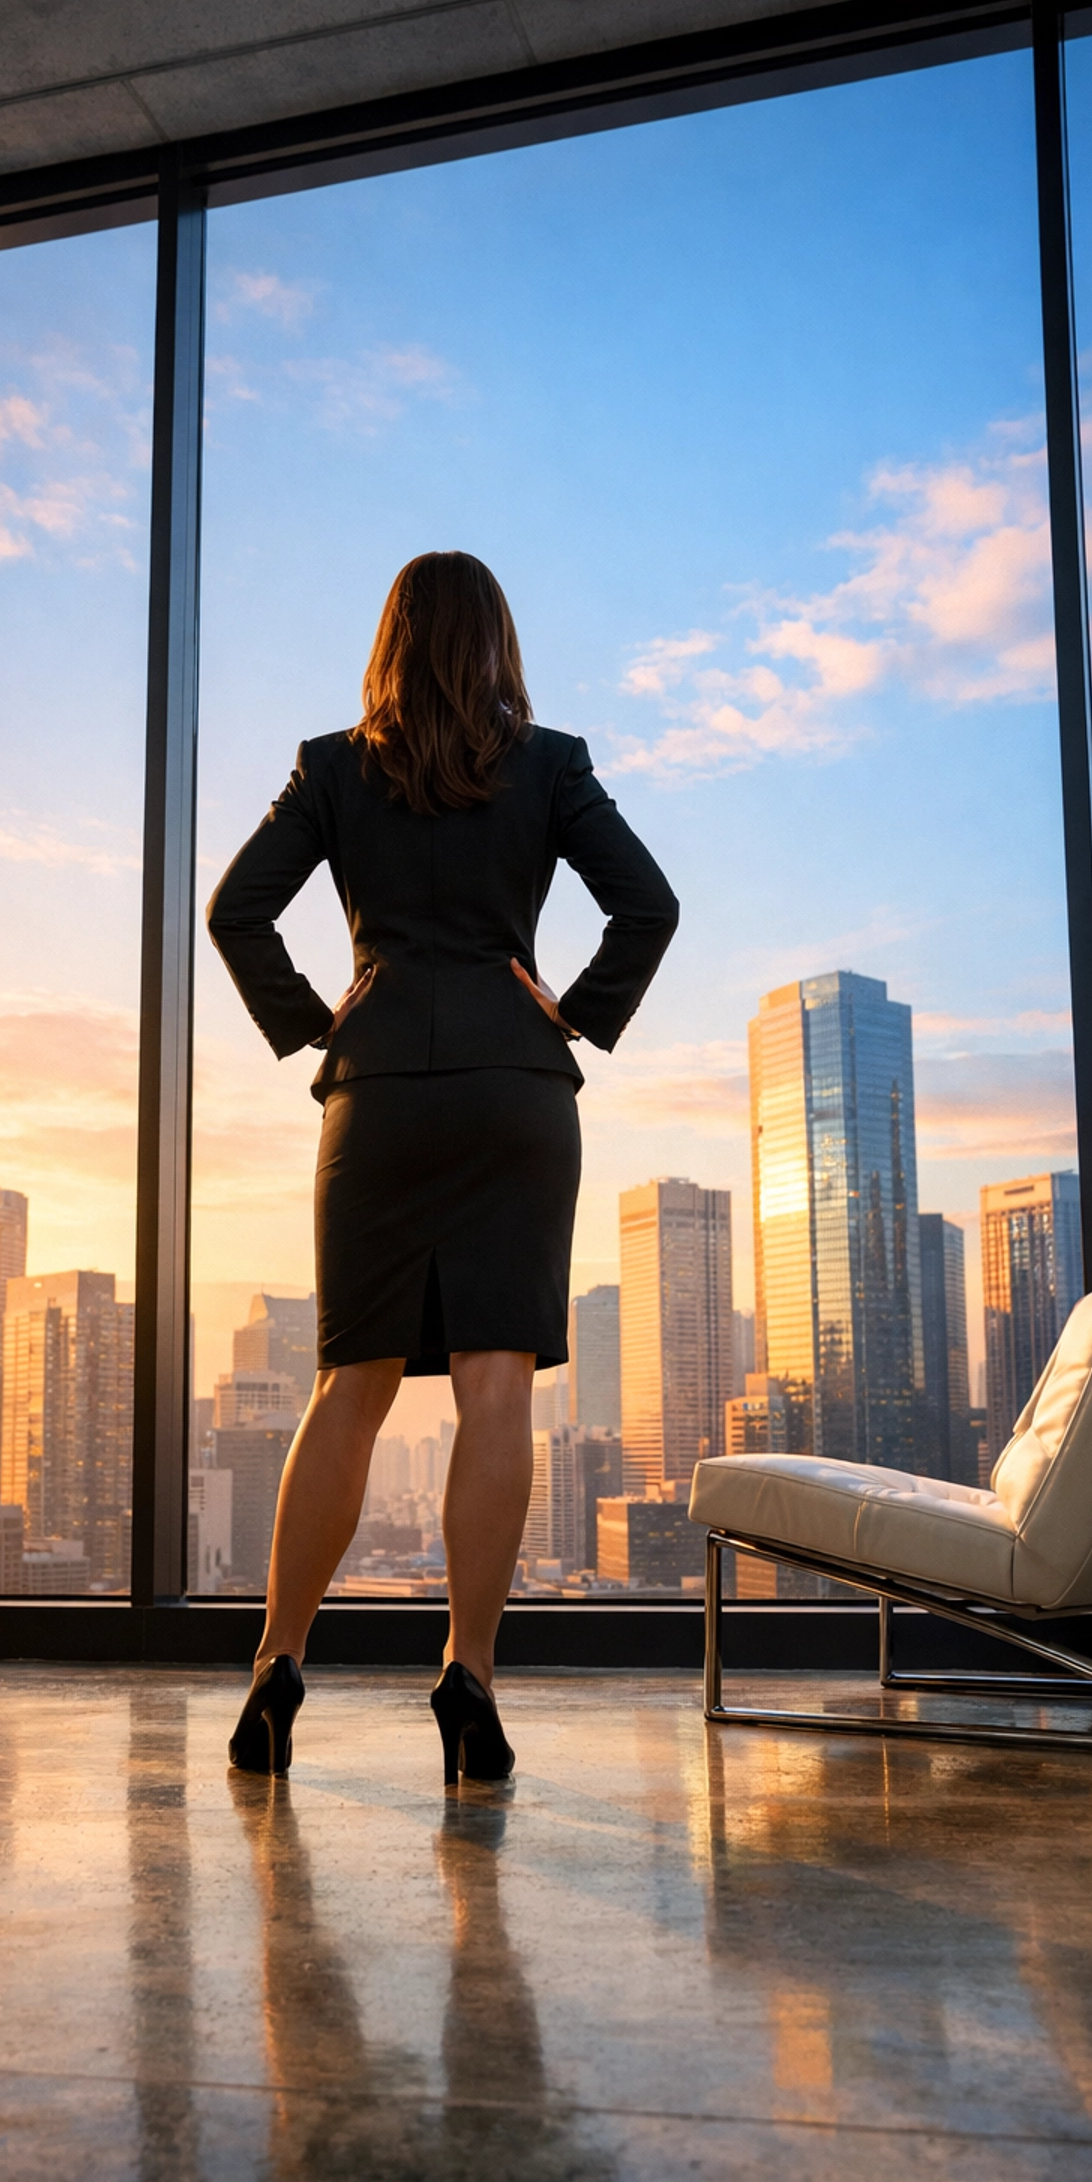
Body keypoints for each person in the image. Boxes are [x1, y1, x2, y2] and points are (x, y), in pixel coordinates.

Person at [207, 551, 677, 1785]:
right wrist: (570, 1009)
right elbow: (652, 905)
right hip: (515, 1094)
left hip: (377, 1101)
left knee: (348, 1391)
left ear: (392, 642)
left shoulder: (331, 765)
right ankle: (469, 1678)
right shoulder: (552, 762)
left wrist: (318, 1017)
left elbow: (233, 911)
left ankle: (275, 1669)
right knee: (497, 1392)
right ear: (498, 643)